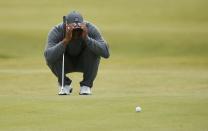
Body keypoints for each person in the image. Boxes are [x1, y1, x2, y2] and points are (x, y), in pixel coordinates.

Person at [44, 11, 110, 95]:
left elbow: (106, 53)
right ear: (66, 25)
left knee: (94, 49)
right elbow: (48, 57)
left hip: (84, 62)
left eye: (78, 29)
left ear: (83, 24)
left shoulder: (90, 28)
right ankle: (65, 85)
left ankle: (86, 86)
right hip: (65, 63)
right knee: (55, 52)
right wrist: (65, 41)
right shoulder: (57, 30)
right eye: (73, 29)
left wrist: (87, 38)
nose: (76, 32)